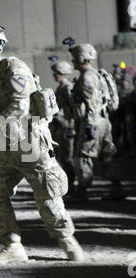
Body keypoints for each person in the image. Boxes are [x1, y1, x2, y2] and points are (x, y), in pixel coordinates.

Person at [0, 21, 84, 263]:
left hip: (30, 145)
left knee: (48, 196)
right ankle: (12, 246)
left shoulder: (14, 68)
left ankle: (68, 242)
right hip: (4, 149)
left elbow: (20, 106)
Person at [67, 42, 125, 201]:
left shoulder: (87, 77)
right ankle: (117, 187)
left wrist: (89, 126)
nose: (72, 61)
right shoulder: (96, 74)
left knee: (83, 155)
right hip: (104, 121)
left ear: (80, 58)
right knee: (107, 155)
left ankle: (82, 191)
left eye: (74, 58)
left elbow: (91, 103)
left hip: (93, 122)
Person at [49, 57, 75, 193]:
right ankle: (67, 187)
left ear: (61, 73)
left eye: (56, 73)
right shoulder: (61, 87)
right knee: (61, 158)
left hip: (66, 127)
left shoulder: (67, 88)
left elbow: (73, 109)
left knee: (67, 158)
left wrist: (70, 125)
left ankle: (71, 187)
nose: (54, 75)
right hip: (60, 126)